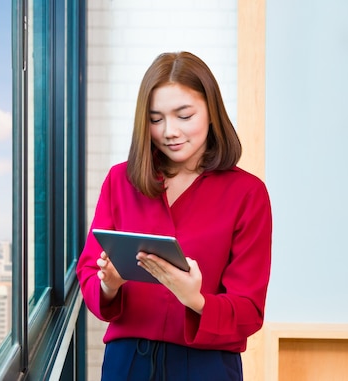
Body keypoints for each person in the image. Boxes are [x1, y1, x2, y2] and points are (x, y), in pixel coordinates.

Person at [76, 51, 272, 381]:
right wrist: (108, 284)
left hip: (207, 366)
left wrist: (194, 298)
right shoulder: (119, 181)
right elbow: (88, 270)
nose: (169, 131)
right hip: (127, 363)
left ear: (212, 112)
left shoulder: (247, 194)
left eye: (184, 116)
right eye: (156, 119)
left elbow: (249, 311)